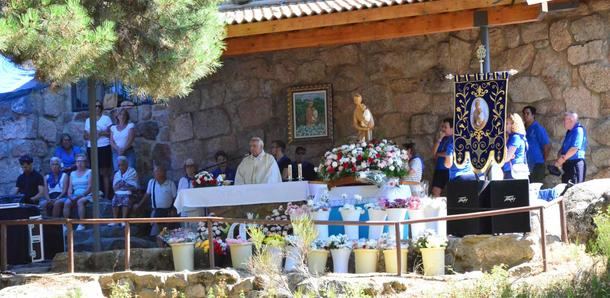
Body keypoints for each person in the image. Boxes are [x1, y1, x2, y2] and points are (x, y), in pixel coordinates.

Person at [133, 164, 177, 237]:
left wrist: (174, 210)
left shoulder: (170, 184)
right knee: (156, 233)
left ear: (163, 172)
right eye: (155, 171)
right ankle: (159, 247)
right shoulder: (151, 182)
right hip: (156, 212)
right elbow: (147, 195)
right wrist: (139, 205)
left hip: (168, 212)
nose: (155, 173)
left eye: (157, 171)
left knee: (168, 233)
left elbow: (175, 198)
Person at [84, 101, 114, 199]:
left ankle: (106, 195)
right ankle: (96, 194)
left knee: (105, 172)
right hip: (91, 147)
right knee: (94, 172)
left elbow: (110, 133)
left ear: (101, 108)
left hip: (104, 146)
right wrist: (91, 135)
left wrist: (100, 133)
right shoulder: (88, 120)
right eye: (95, 106)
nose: (97, 108)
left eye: (98, 106)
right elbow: (85, 135)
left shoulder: (106, 119)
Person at [555, 112, 587, 184]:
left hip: (575, 164)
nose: (563, 122)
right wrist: (559, 156)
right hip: (567, 164)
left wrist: (561, 160)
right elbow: (564, 148)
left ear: (571, 120)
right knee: (565, 188)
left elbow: (574, 149)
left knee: (574, 189)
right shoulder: (569, 132)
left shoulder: (578, 130)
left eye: (565, 120)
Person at [63, 154, 93, 231]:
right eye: (78, 161)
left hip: (87, 194)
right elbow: (70, 188)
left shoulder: (89, 172)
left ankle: (82, 224)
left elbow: (90, 187)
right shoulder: (72, 173)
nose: (79, 163)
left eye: (82, 161)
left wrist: (81, 195)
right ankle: (66, 224)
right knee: (67, 202)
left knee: (80, 202)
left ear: (85, 163)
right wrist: (69, 195)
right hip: (75, 194)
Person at [522, 106, 551, 183]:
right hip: (526, 165)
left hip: (537, 164)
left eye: (528, 113)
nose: (525, 115)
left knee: (535, 189)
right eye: (524, 114)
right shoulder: (522, 129)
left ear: (533, 115)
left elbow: (546, 145)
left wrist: (542, 161)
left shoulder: (537, 128)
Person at [110, 156, 138, 227]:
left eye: (122, 165)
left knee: (126, 199)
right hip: (118, 193)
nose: (120, 167)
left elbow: (135, 186)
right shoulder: (117, 174)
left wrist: (125, 185)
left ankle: (123, 220)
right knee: (114, 200)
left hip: (130, 193)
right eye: (119, 165)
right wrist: (118, 185)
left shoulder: (132, 172)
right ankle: (115, 220)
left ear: (126, 164)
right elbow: (114, 187)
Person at [431, 118, 453, 197]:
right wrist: (439, 139)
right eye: (442, 127)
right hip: (439, 169)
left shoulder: (455, 139)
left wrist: (438, 154)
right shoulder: (442, 139)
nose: (443, 129)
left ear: (452, 128)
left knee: (453, 193)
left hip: (450, 170)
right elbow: (433, 153)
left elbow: (450, 154)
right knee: (435, 192)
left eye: (445, 127)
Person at [502, 113, 529, 180]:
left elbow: (507, 158)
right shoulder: (512, 137)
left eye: (507, 123)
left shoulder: (515, 137)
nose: (505, 125)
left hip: (513, 172)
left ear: (514, 124)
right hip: (511, 171)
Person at [178, 158, 205, 223]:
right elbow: (179, 195)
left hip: (197, 211)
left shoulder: (199, 179)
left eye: (191, 166)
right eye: (187, 166)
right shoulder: (182, 180)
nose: (189, 168)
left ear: (195, 167)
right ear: (185, 168)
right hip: (185, 210)